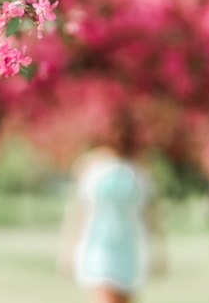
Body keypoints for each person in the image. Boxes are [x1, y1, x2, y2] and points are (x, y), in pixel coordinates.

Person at [58, 119, 165, 303]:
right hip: (97, 248)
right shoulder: (90, 166)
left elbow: (151, 214)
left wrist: (159, 253)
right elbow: (78, 211)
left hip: (129, 249)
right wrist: (68, 248)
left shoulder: (139, 170)